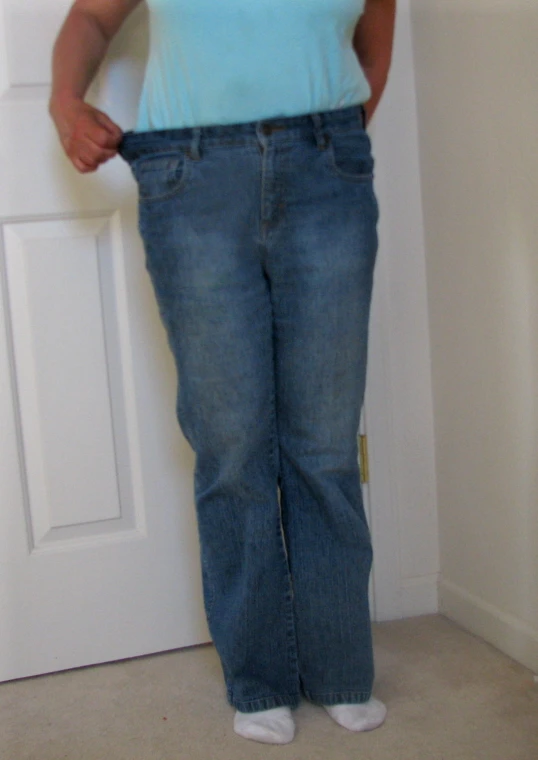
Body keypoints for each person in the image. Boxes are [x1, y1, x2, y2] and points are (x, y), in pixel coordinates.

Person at [50, 0, 396, 746]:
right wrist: (63, 101)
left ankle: (340, 667)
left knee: (327, 441)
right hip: (193, 178)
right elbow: (90, 18)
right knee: (232, 443)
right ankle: (260, 678)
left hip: (326, 169)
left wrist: (330, 141)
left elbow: (374, 47)